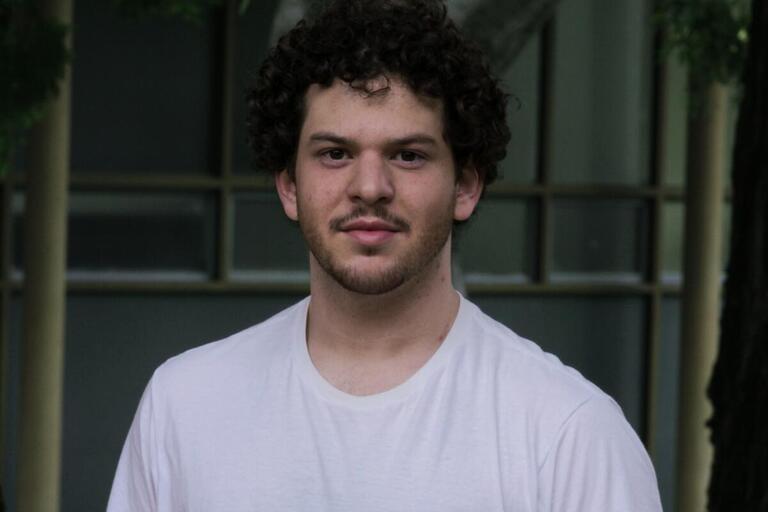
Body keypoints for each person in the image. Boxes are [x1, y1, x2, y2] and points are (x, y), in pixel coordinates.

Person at [107, 1, 662, 510]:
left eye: (409, 155)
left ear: (466, 186)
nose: (369, 186)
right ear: (289, 186)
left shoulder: (569, 433)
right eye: (333, 153)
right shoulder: (184, 405)